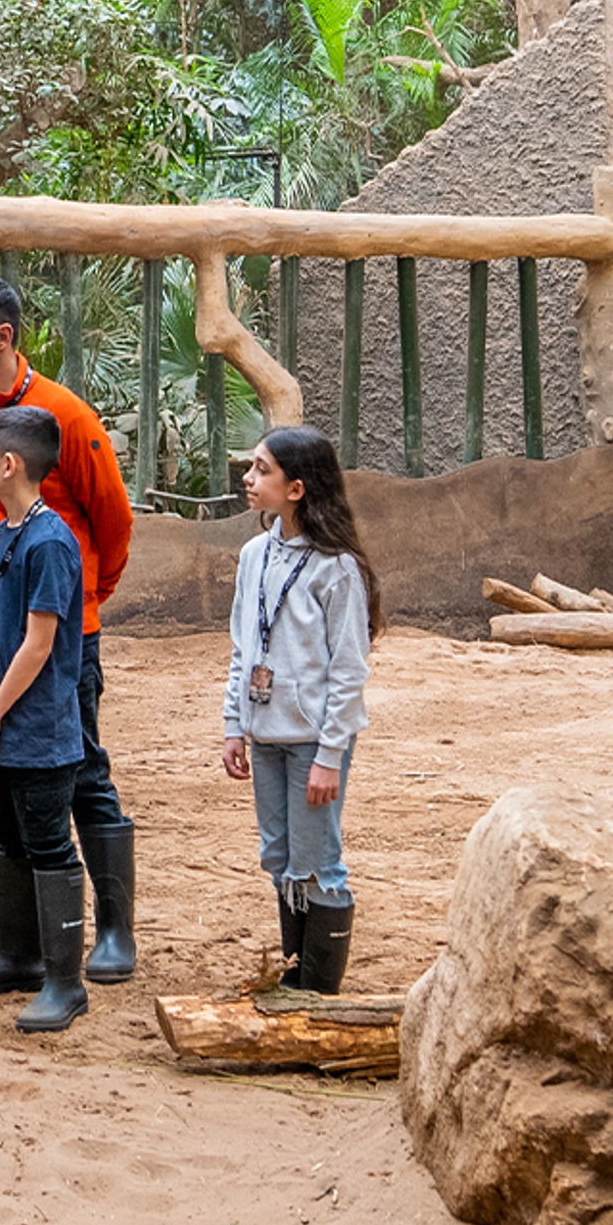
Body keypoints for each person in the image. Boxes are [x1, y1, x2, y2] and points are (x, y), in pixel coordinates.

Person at [0, 276, 138, 985]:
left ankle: (111, 932)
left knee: (76, 770)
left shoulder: (64, 415)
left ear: (3, 335)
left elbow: (113, 521)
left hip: (55, 633)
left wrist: (85, 602)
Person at [220, 425, 380, 995]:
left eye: (262, 469)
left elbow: (349, 671)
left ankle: (319, 997)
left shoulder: (335, 568)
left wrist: (330, 756)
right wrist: (234, 725)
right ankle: (295, 984)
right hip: (264, 733)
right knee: (279, 857)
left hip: (314, 740)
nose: (249, 477)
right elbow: (244, 648)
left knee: (317, 862)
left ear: (297, 489)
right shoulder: (253, 556)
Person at [0, 407, 90, 1032]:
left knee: (49, 843)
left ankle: (66, 981)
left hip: (35, 728)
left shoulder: (51, 541)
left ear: (10, 465)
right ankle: (16, 955)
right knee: (5, 835)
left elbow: (39, 643)